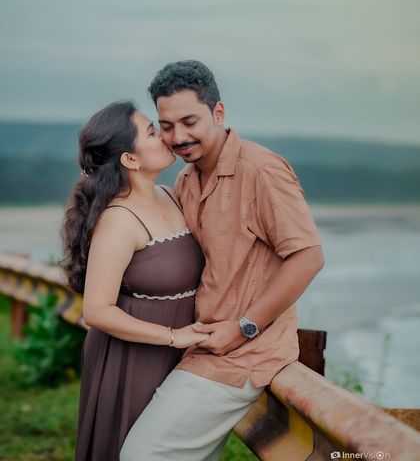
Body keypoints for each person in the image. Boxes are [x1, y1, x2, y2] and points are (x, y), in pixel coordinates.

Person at [121, 61, 324, 461]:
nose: (177, 136)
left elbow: (308, 257)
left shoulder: (260, 170)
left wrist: (243, 327)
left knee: (141, 455)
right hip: (201, 348)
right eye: (166, 125)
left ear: (218, 113)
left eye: (189, 121)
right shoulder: (186, 178)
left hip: (243, 356)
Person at [61, 100, 208, 461]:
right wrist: (174, 337)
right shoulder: (119, 220)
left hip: (179, 353)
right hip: (132, 357)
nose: (167, 137)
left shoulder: (169, 194)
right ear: (130, 159)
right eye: (153, 132)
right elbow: (96, 311)